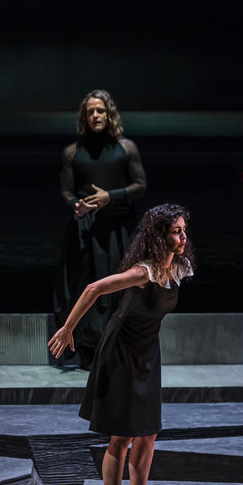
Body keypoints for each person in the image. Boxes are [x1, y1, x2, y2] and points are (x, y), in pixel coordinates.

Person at [49, 204, 194, 485]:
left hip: (147, 352)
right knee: (122, 435)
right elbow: (93, 288)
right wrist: (68, 327)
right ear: (159, 236)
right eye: (176, 231)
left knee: (148, 432)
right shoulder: (143, 272)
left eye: (184, 230)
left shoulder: (179, 267)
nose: (183, 237)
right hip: (121, 352)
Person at [53, 89, 147, 370]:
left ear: (109, 114)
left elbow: (140, 185)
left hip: (120, 227)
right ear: (84, 117)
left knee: (120, 286)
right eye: (90, 111)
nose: (95, 115)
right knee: (82, 285)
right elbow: (67, 192)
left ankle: (118, 349)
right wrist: (77, 206)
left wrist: (111, 196)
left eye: (100, 110)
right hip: (86, 228)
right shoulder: (72, 152)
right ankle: (88, 352)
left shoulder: (126, 148)